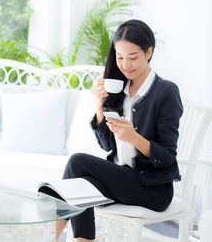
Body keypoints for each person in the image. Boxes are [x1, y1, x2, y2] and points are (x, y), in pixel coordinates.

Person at [56, 19, 183, 242]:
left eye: (133, 57)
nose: (126, 65)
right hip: (122, 179)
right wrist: (98, 106)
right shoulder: (118, 88)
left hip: (153, 189)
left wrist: (134, 138)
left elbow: (167, 157)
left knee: (77, 162)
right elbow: (107, 145)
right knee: (79, 187)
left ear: (149, 52)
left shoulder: (166, 92)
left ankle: (50, 236)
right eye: (120, 57)